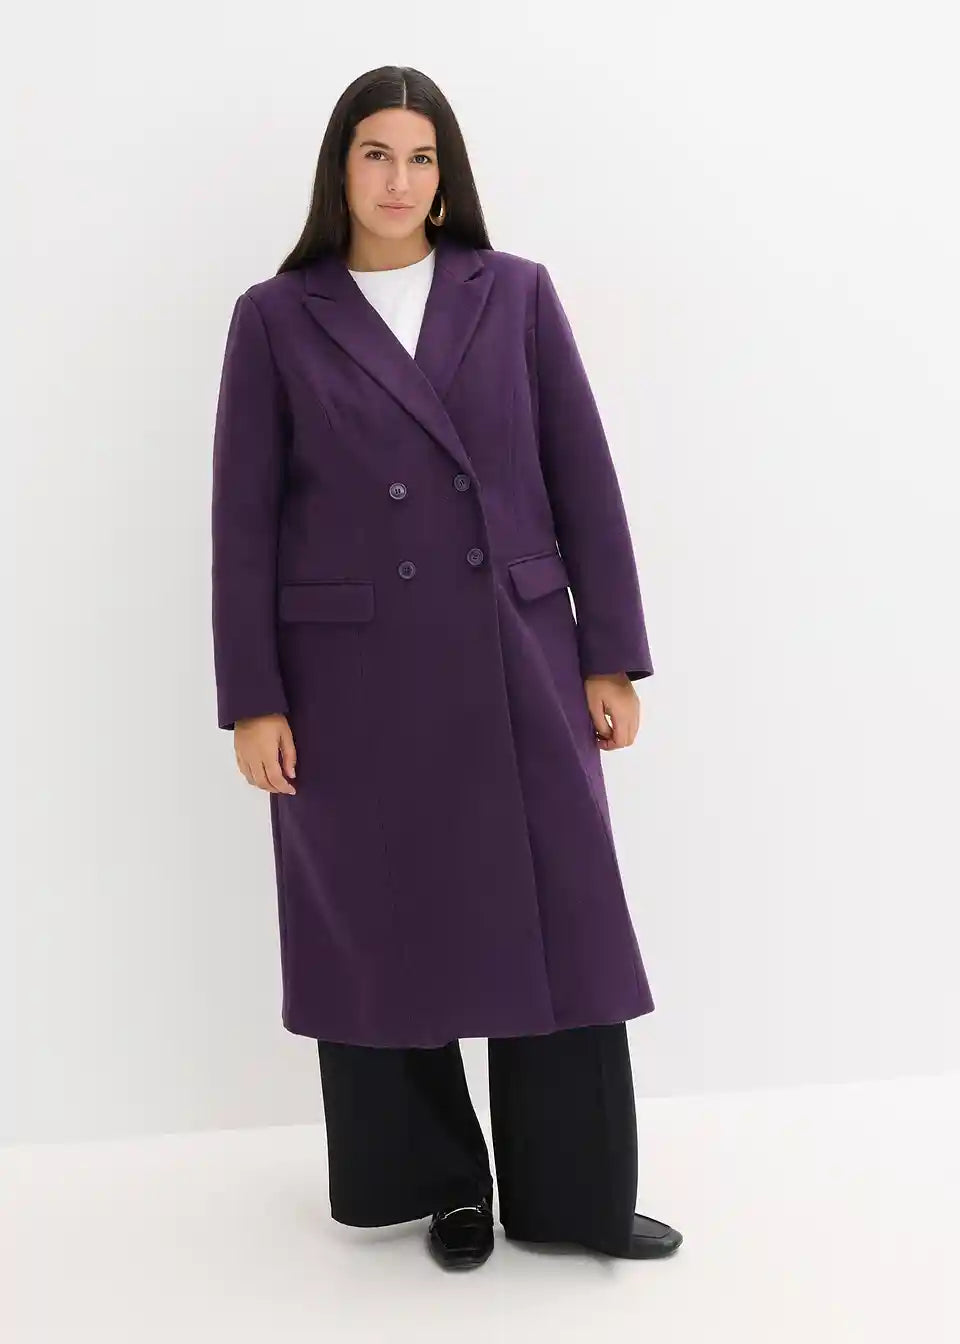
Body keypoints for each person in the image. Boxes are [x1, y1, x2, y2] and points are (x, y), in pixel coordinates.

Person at [210, 64, 682, 1270]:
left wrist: (610, 655)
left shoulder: (513, 294)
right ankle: (440, 1189)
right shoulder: (278, 315)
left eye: (421, 158)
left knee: (563, 923)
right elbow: (243, 520)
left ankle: (573, 1198)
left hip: (517, 654)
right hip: (349, 677)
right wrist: (253, 698)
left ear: (447, 173)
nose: (399, 180)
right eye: (376, 154)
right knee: (382, 927)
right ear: (341, 169)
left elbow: (583, 475)